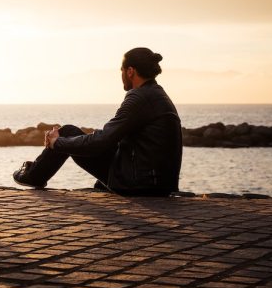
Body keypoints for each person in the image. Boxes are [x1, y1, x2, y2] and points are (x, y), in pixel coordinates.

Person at [13, 47, 182, 196]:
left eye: (121, 71)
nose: (121, 76)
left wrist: (57, 143)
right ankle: (98, 183)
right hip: (161, 184)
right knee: (108, 145)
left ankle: (33, 176)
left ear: (130, 71)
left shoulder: (138, 98)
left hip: (139, 185)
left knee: (67, 132)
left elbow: (101, 141)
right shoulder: (157, 94)